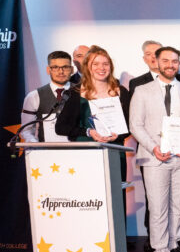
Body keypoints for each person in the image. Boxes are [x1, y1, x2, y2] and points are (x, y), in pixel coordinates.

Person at [129, 46, 180, 252]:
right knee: (158, 206)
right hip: (153, 157)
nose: (171, 65)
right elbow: (135, 125)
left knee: (178, 205)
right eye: (166, 61)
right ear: (156, 62)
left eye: (175, 61)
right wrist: (154, 148)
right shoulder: (141, 91)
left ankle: (173, 244)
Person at [56, 46, 132, 179]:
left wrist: (118, 136)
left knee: (116, 195)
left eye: (105, 64)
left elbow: (130, 125)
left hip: (114, 153)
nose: (101, 68)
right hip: (85, 155)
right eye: (95, 64)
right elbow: (61, 127)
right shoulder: (74, 93)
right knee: (88, 196)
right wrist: (88, 132)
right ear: (87, 67)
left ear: (111, 66)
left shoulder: (122, 92)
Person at [21, 50, 73, 142]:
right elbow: (26, 130)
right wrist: (35, 144)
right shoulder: (34, 96)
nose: (61, 71)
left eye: (65, 67)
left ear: (72, 70)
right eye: (55, 67)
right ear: (48, 70)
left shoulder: (83, 93)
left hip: (79, 152)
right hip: (46, 152)